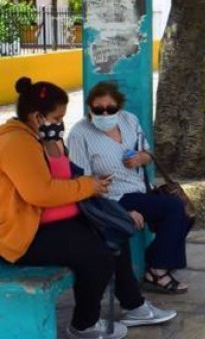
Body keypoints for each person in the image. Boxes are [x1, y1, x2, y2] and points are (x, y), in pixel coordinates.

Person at [2, 78, 176, 339]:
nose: (61, 122)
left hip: (52, 220)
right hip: (22, 234)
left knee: (114, 232)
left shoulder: (39, 138)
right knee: (98, 257)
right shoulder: (17, 142)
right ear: (36, 116)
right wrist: (87, 185)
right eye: (57, 116)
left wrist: (56, 148)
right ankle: (84, 324)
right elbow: (41, 192)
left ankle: (134, 306)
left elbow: (66, 177)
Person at [68, 81, 192, 296]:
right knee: (172, 208)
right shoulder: (80, 133)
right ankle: (157, 270)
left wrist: (141, 158)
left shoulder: (129, 120)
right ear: (90, 108)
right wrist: (119, 211)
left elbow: (147, 152)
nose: (105, 113)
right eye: (98, 109)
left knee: (183, 211)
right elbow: (81, 179)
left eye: (111, 108)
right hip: (113, 196)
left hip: (140, 188)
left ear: (119, 107)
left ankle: (160, 260)